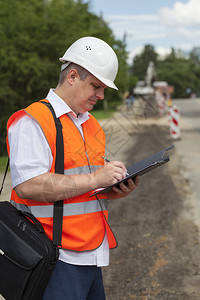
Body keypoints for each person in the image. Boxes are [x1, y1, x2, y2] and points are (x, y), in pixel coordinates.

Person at [7, 37, 140, 300]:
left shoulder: (90, 124)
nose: (101, 95)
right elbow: (28, 185)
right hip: (55, 257)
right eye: (96, 86)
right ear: (72, 75)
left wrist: (110, 190)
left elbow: (82, 185)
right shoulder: (33, 121)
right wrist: (95, 179)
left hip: (90, 254)